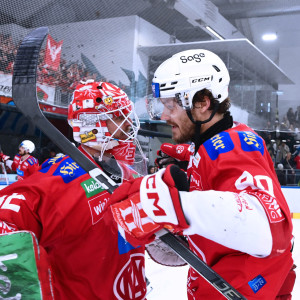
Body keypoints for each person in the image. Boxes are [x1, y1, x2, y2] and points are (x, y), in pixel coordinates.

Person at [109, 49, 295, 299]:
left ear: (202, 103)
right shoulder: (212, 146)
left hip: (243, 289)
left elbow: (271, 231)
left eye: (170, 105)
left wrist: (168, 205)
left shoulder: (235, 146)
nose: (164, 116)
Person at [0, 80, 148, 299]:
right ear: (93, 124)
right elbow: (6, 222)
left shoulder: (129, 174)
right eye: (118, 116)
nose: (128, 124)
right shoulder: (58, 181)